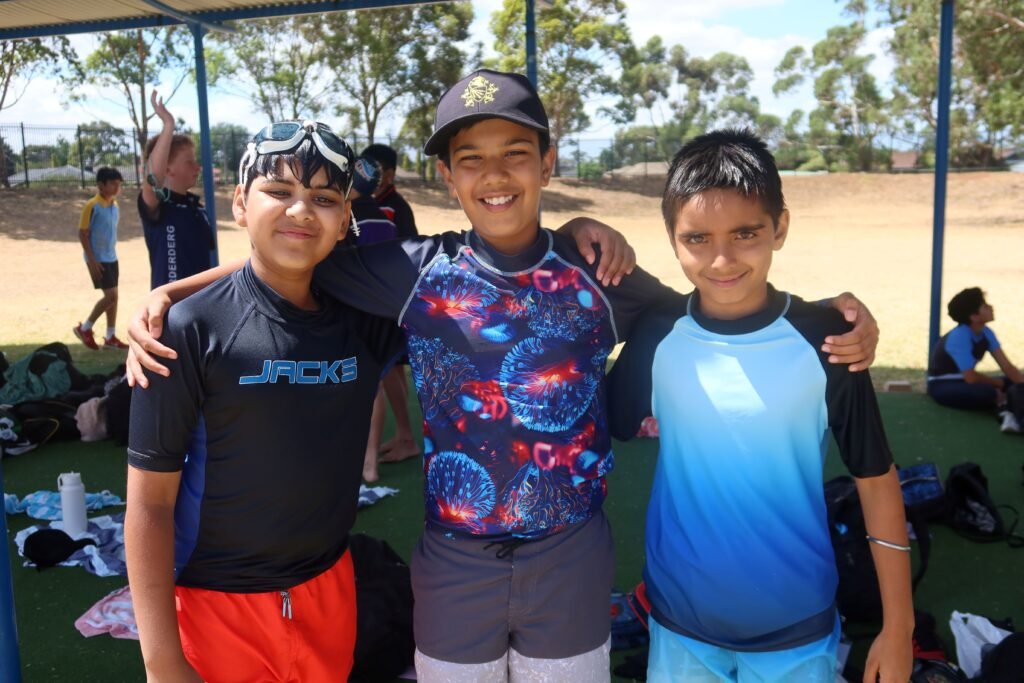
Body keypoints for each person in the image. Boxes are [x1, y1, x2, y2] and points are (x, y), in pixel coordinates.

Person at [125, 71, 878, 682]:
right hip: (454, 559)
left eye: (516, 153)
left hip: (570, 553)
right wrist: (174, 292)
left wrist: (827, 316)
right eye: (471, 158)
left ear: (547, 162)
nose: (495, 174)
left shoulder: (598, 274)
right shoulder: (414, 273)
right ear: (447, 175)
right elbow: (292, 247)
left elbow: (714, 297)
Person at [607, 129, 912, 683]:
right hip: (679, 625)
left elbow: (874, 477)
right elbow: (612, 421)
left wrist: (899, 627)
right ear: (672, 239)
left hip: (796, 627)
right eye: (697, 238)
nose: (722, 259)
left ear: (781, 227)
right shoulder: (656, 334)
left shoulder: (828, 340)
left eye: (745, 233)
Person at [124, 121, 404, 682]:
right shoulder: (185, 331)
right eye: (278, 191)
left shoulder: (365, 321)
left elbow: (473, 261)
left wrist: (573, 233)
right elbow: (149, 503)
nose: (301, 210)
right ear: (239, 204)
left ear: (344, 219)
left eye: (323, 198)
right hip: (215, 608)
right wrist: (162, 660)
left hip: (330, 593)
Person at [361, 143, 422, 467]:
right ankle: (403, 435)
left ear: (390, 173)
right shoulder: (372, 203)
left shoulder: (396, 207)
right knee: (391, 370)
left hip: (393, 300)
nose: (368, 175)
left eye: (375, 169)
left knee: (388, 370)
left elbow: (409, 252)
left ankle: (405, 437)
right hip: (385, 300)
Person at [138, 90, 215, 289]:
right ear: (167, 169)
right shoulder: (160, 205)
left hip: (202, 302)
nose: (197, 167)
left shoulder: (196, 208)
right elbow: (152, 180)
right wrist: (168, 125)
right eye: (189, 162)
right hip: (171, 306)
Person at [927, 287, 1024, 433]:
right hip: (942, 385)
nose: (991, 307)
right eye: (985, 306)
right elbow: (971, 377)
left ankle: (1006, 409)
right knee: (988, 392)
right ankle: (1006, 411)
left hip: (965, 381)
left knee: (1013, 381)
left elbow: (1007, 367)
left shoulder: (986, 332)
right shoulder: (959, 336)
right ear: (974, 316)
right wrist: (998, 383)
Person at [73, 166, 129, 350]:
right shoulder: (92, 206)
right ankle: (85, 328)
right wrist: (92, 260)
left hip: (111, 256)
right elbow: (83, 234)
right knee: (110, 296)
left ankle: (110, 336)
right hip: (97, 258)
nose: (116, 188)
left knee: (114, 297)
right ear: (101, 185)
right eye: (112, 184)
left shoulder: (114, 205)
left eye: (118, 184)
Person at [362, 142, 418, 238]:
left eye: (371, 170)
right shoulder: (357, 200)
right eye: (361, 169)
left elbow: (411, 242)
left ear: (389, 174)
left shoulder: (399, 208)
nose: (364, 175)